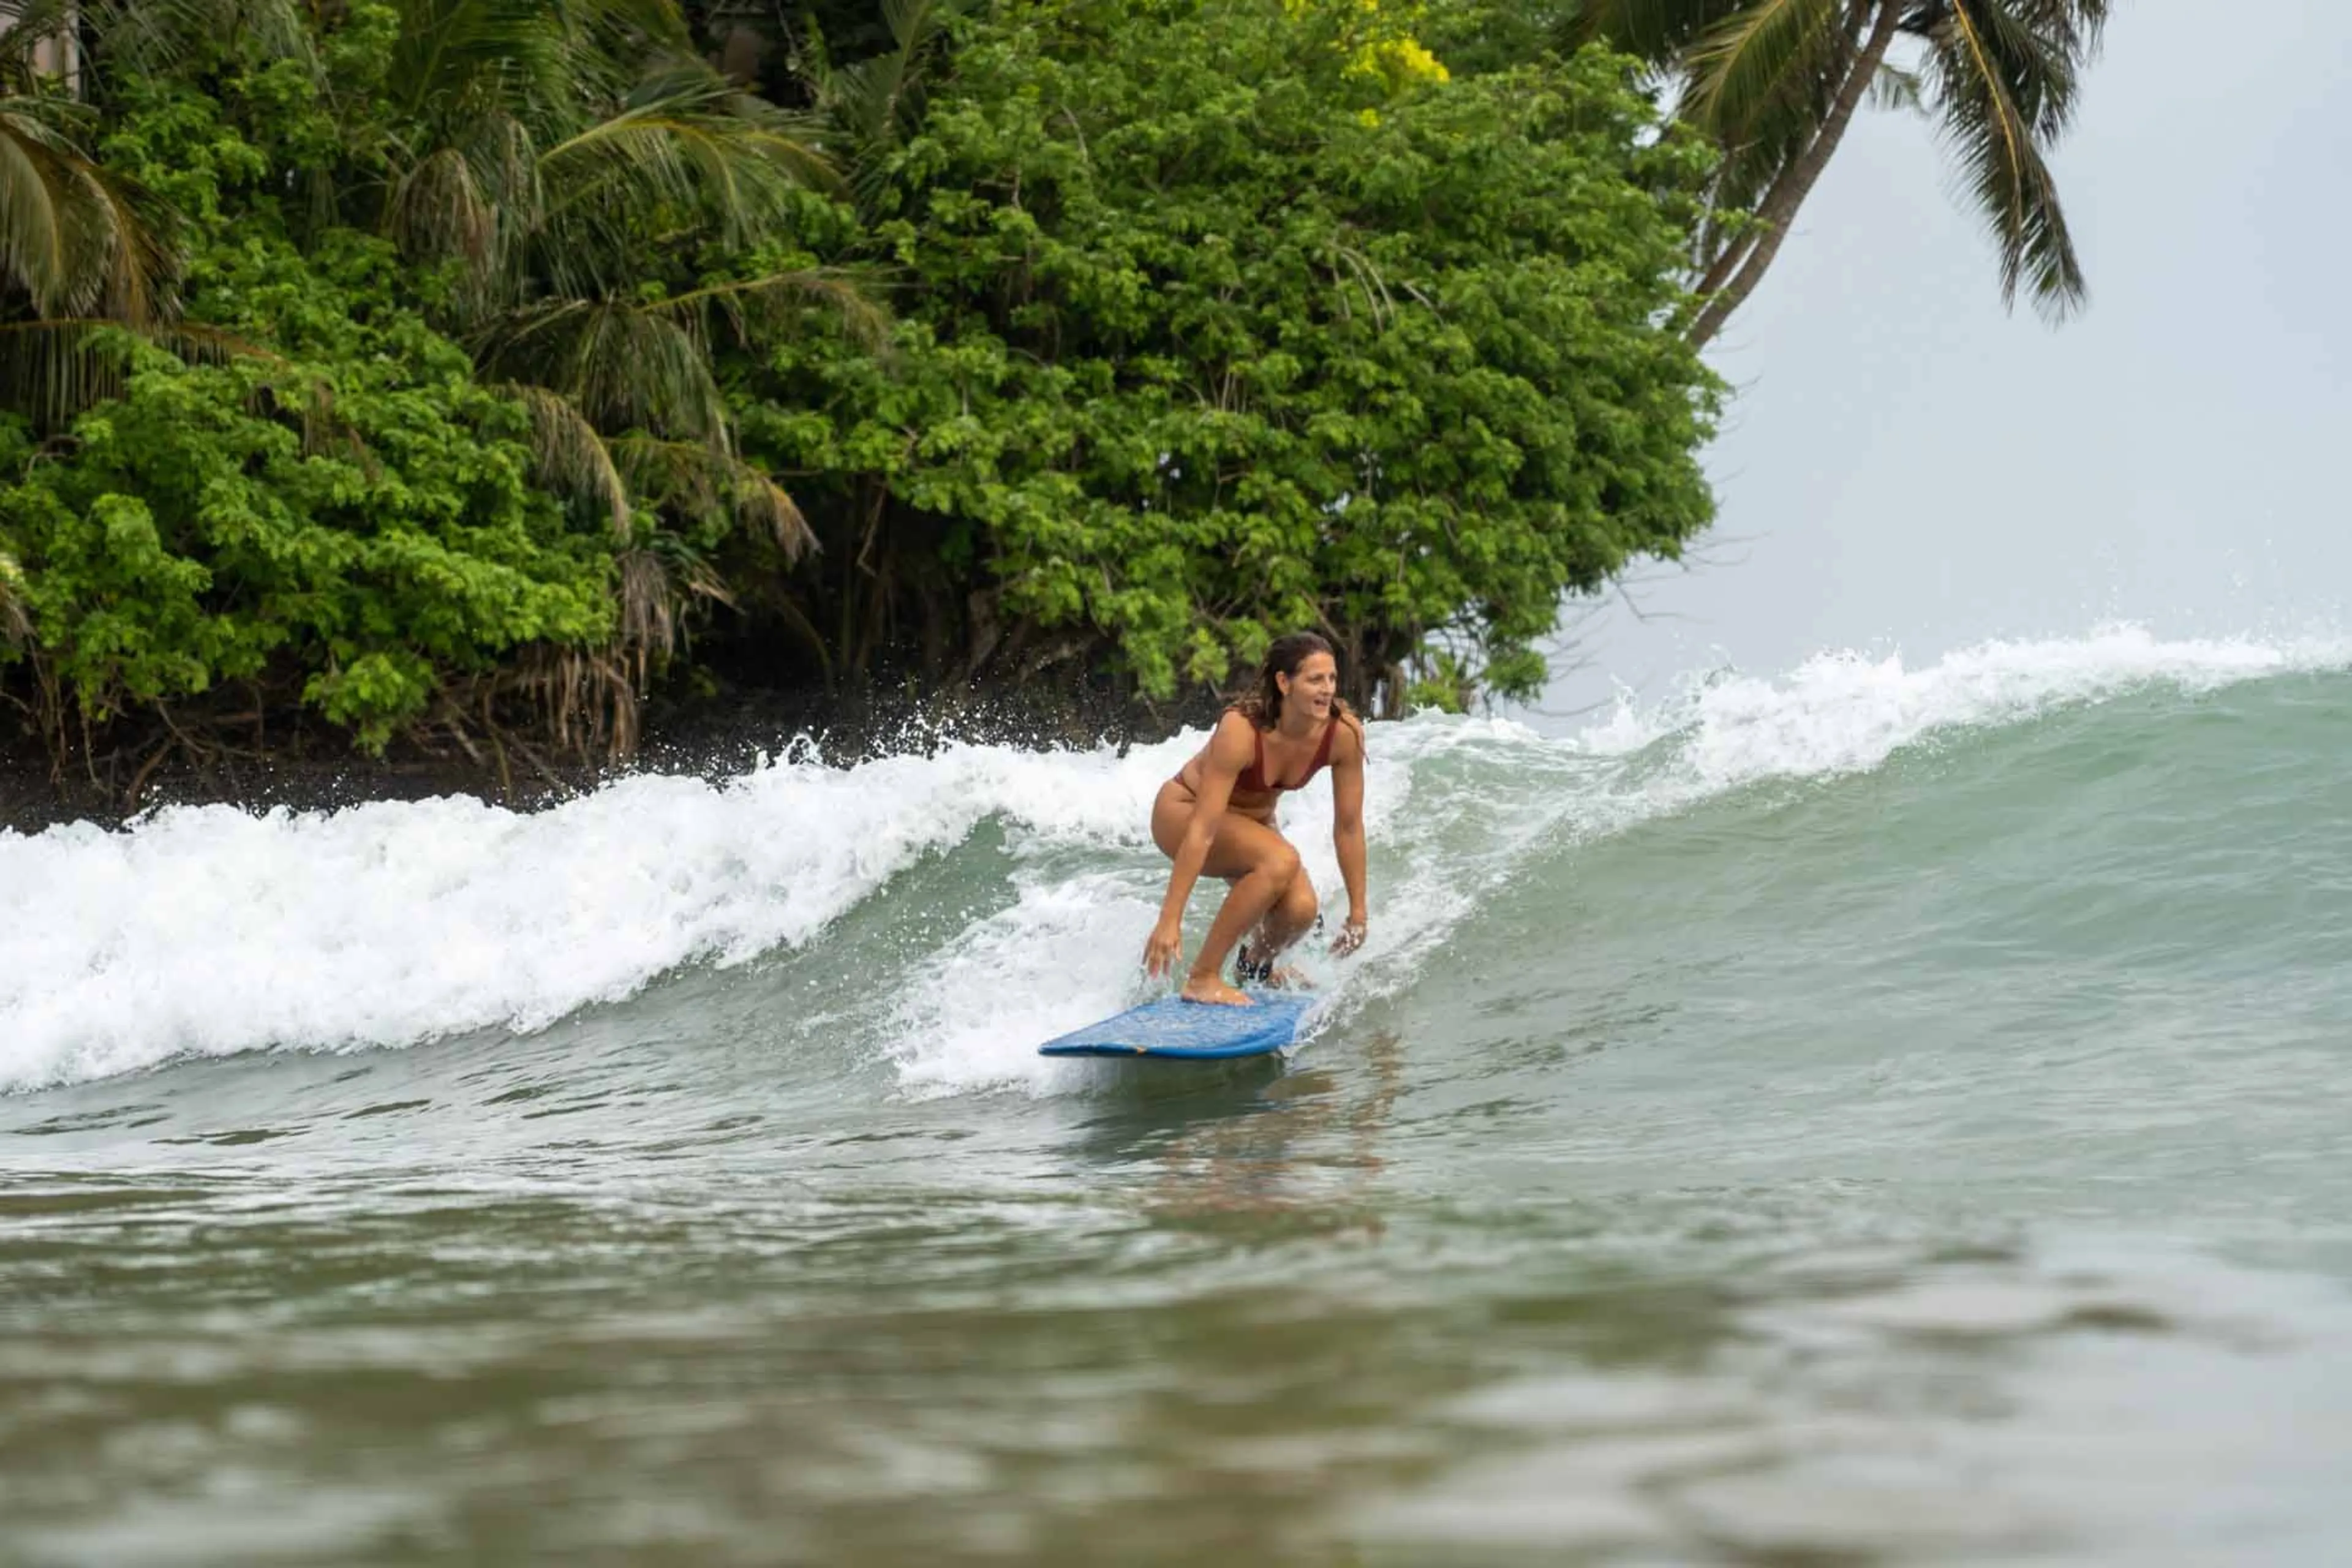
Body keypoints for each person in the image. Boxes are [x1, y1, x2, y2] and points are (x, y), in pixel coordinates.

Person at [1144, 632, 1368, 1005]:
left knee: (1300, 911)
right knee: (1279, 860)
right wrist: (1170, 919)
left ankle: (1254, 969)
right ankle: (1202, 978)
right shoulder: (1241, 729)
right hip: (1184, 814)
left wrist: (1358, 911)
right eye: (1315, 679)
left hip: (1251, 825)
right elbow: (1204, 828)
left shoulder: (1343, 734)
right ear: (1284, 683)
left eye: (1332, 678)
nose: (1327, 689)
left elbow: (1348, 827)